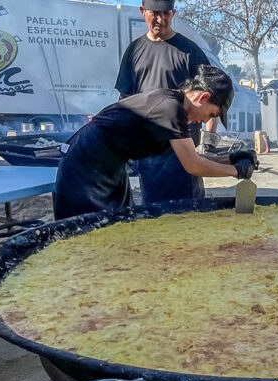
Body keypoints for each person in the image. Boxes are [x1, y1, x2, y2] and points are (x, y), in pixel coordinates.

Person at [54, 66, 256, 221]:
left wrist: (232, 158)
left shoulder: (174, 108)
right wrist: (235, 171)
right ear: (203, 97)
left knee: (120, 228)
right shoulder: (170, 108)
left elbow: (191, 157)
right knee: (87, 238)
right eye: (211, 114)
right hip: (85, 169)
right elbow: (193, 165)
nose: (206, 121)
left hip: (108, 168)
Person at [115, 0, 221, 205]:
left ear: (173, 13)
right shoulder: (134, 51)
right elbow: (125, 100)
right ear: (142, 11)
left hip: (184, 149)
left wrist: (208, 141)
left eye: (166, 14)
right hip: (149, 153)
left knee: (191, 213)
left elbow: (212, 100)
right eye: (155, 13)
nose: (161, 20)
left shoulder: (190, 52)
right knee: (154, 216)